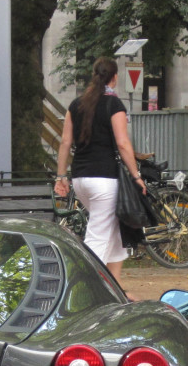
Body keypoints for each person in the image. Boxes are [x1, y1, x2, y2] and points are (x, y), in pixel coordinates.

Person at [53, 56, 147, 293]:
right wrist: (136, 176)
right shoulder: (114, 105)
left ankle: (116, 287)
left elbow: (65, 142)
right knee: (98, 236)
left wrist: (60, 176)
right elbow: (123, 143)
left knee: (115, 231)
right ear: (114, 78)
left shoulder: (76, 105)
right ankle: (82, 290)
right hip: (105, 179)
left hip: (81, 179)